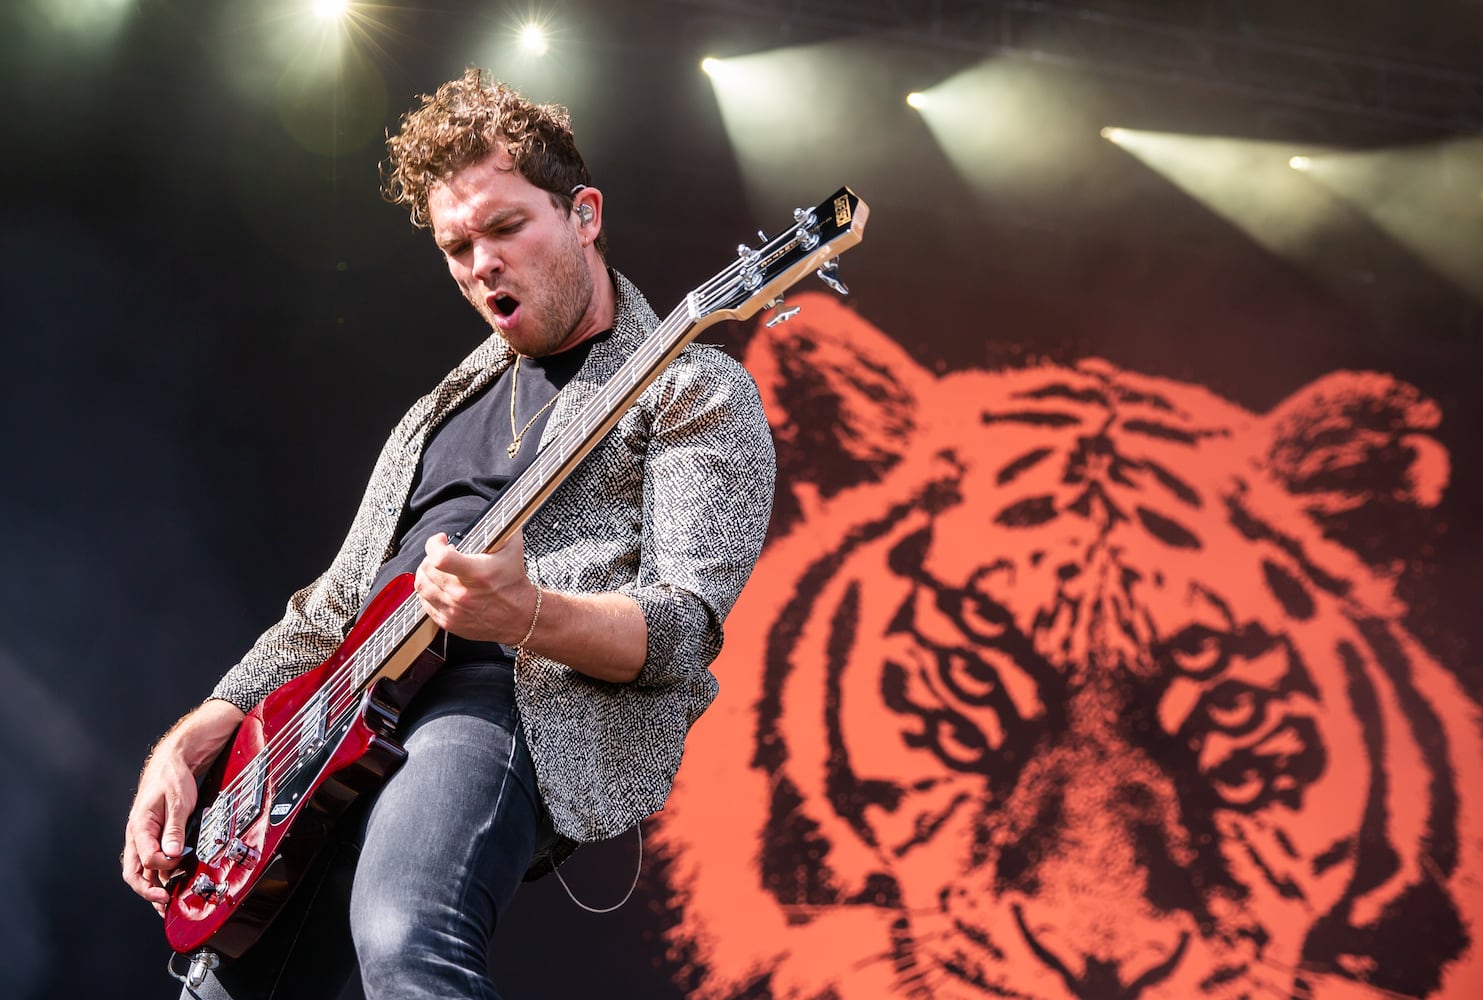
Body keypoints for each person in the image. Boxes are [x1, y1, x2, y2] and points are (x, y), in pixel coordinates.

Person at [120, 68, 776, 999]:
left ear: (584, 213)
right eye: (457, 246)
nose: (481, 266)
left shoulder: (690, 387)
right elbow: (329, 614)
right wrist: (193, 736)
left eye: (506, 228)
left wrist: (524, 614)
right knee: (224, 982)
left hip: (504, 694)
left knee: (406, 933)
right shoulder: (436, 412)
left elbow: (680, 632)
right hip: (340, 724)